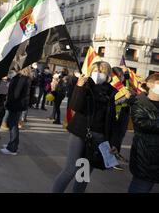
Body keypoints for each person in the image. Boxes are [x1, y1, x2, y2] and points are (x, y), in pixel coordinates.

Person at [52, 61, 118, 193]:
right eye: (95, 70)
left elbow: (111, 119)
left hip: (98, 137)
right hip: (79, 133)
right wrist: (79, 87)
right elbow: (75, 106)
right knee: (70, 170)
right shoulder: (85, 85)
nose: (98, 74)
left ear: (108, 75)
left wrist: (113, 142)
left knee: (84, 173)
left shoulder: (110, 92)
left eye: (102, 72)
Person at [128, 73, 159, 193]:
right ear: (150, 84)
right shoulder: (139, 102)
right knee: (141, 187)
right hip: (145, 158)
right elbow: (142, 124)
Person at [0, 67, 32, 156]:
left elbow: (16, 93)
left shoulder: (21, 78)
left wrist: (9, 103)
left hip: (15, 105)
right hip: (19, 105)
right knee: (13, 124)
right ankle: (12, 144)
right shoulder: (26, 78)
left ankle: (12, 147)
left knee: (13, 125)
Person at [111, 66, 136, 168]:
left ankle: (116, 154)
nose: (126, 74)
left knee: (120, 136)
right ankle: (112, 159)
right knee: (115, 137)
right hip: (117, 113)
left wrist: (132, 96)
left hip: (125, 112)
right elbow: (114, 101)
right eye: (124, 72)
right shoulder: (113, 83)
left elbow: (128, 92)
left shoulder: (126, 81)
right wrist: (126, 98)